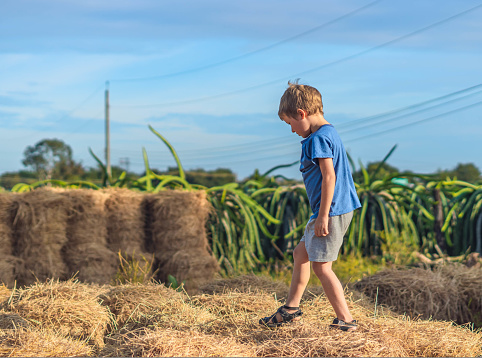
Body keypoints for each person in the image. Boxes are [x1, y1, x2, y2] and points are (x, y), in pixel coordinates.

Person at [259, 81, 362, 331]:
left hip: (331, 211)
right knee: (300, 254)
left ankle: (345, 320)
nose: (293, 130)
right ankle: (291, 308)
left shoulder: (317, 139)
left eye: (290, 124)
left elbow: (329, 177)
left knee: (321, 267)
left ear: (302, 114)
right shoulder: (330, 132)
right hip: (331, 209)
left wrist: (323, 217)